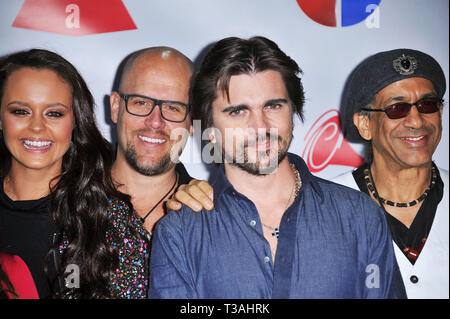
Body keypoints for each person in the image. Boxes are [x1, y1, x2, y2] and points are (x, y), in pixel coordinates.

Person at [149, 36, 406, 299]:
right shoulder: (179, 233)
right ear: (209, 129)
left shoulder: (360, 217)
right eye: (238, 111)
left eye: (273, 106)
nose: (260, 126)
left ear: (292, 113)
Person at [0, 49, 137, 298]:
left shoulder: (107, 220)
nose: (37, 127)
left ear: (75, 121)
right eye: (21, 111)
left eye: (54, 113)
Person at [333, 48, 448, 299]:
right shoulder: (326, 208)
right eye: (397, 109)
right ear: (365, 124)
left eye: (427, 105)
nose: (417, 121)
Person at [107, 47, 216, 298]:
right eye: (141, 102)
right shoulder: (66, 201)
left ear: (192, 120)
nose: (155, 122)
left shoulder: (215, 217)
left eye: (173, 108)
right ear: (115, 107)